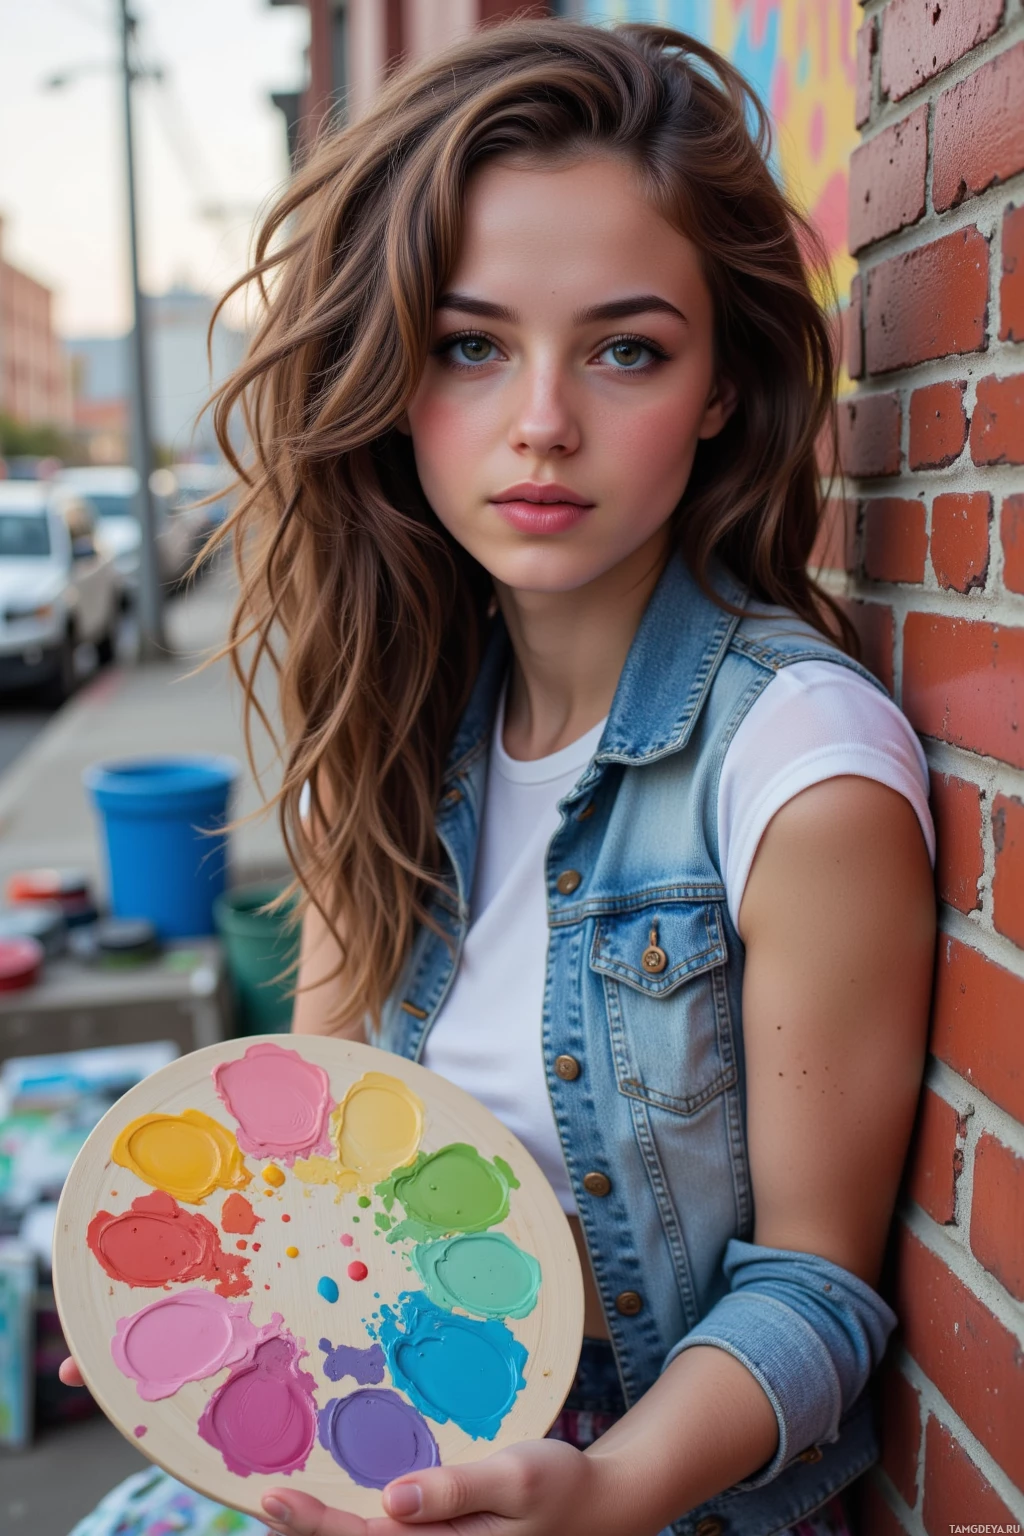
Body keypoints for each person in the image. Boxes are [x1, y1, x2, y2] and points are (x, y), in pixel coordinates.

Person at [63, 19, 936, 1536]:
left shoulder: (802, 769)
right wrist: (190, 1302)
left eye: (625, 348)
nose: (542, 419)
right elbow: (316, 1156)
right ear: (396, 379)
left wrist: (604, 1490)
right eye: (472, 345)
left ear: (721, 387)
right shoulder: (399, 719)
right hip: (361, 1457)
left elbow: (816, 1293)